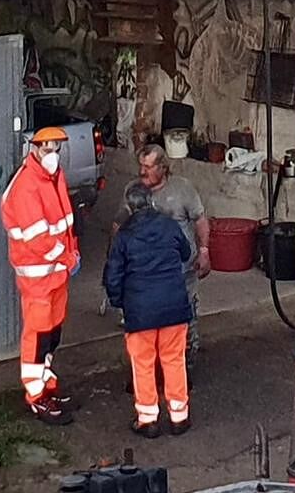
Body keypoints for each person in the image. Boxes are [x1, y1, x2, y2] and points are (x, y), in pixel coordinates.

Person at [0, 125, 80, 424]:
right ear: (33, 149)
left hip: (57, 274)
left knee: (52, 335)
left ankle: (47, 385)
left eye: (57, 148)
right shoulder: (27, 186)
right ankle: (36, 397)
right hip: (38, 278)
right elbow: (38, 238)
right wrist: (69, 256)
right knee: (37, 337)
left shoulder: (52, 177)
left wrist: (72, 254)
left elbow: (65, 223)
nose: (53, 154)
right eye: (47, 148)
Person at [105, 182, 193, 438]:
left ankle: (148, 420)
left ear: (129, 206)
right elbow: (186, 253)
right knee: (174, 360)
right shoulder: (169, 225)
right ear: (151, 200)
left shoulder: (124, 235)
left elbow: (113, 276)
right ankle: (179, 417)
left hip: (140, 312)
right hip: (174, 307)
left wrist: (119, 301)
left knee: (142, 364)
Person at [116, 143, 210, 354]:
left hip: (181, 273)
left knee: (184, 324)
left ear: (163, 167)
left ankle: (185, 366)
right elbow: (119, 225)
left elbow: (200, 220)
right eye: (141, 165)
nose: (142, 172)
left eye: (148, 167)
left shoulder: (182, 189)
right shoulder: (133, 191)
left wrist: (204, 251)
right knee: (146, 331)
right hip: (144, 275)